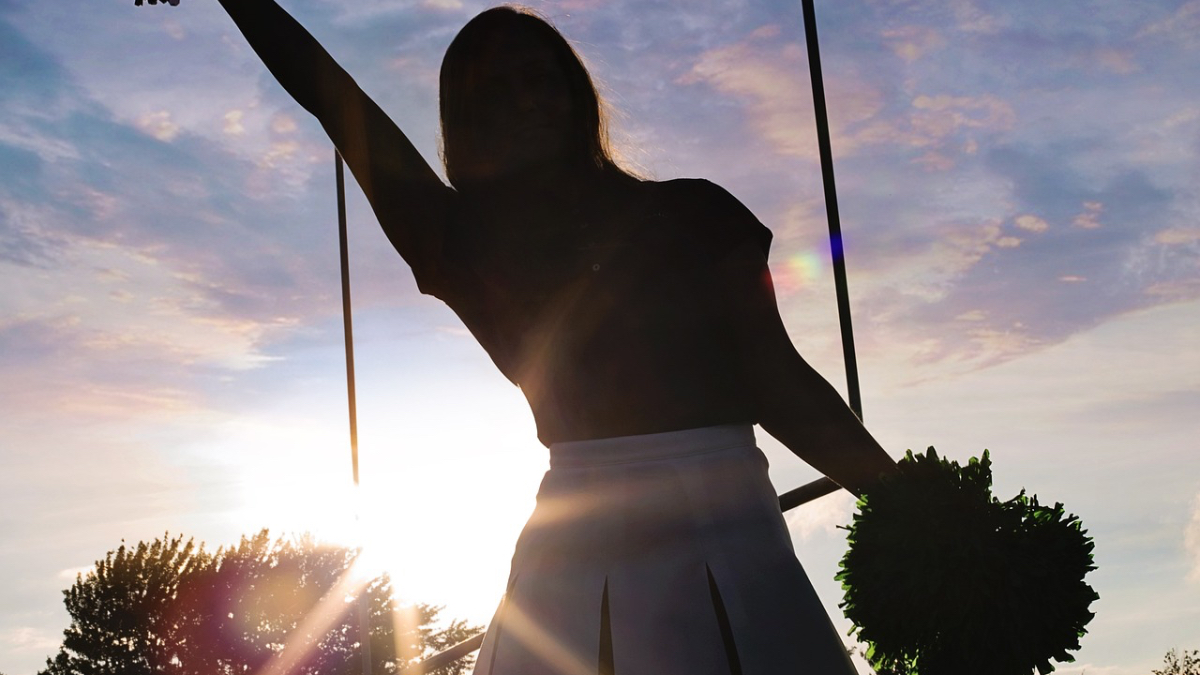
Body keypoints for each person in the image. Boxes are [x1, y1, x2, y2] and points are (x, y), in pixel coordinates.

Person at [215, 3, 897, 673]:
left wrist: (918, 506)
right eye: (497, 92)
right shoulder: (461, 244)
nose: (525, 102)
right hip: (577, 566)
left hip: (741, 538)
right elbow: (335, 100)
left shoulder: (698, 211)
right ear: (468, 120)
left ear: (575, 93)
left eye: (539, 78)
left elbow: (777, 378)